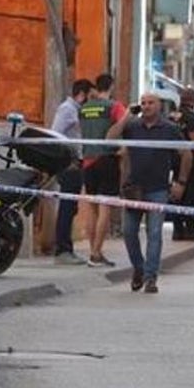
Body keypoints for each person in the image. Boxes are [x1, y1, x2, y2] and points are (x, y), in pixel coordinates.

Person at [113, 92, 193, 294]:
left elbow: (187, 154)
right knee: (129, 232)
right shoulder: (132, 127)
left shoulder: (170, 129)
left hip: (158, 189)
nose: (146, 106)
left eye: (151, 103)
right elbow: (110, 138)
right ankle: (139, 268)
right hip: (133, 189)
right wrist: (125, 117)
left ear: (159, 106)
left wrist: (180, 182)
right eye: (143, 103)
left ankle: (150, 278)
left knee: (155, 233)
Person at [78, 73, 128, 267]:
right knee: (105, 207)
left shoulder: (83, 109)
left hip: (88, 160)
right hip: (107, 159)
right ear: (111, 86)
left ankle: (93, 250)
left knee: (91, 208)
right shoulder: (114, 107)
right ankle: (97, 252)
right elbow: (124, 125)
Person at [49, 78, 93, 265]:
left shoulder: (77, 111)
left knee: (72, 207)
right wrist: (66, 159)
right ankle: (62, 250)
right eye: (90, 97)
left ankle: (67, 248)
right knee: (67, 207)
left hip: (77, 162)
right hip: (69, 164)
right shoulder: (67, 109)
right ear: (81, 94)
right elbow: (55, 135)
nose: (92, 101)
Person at [169, 87, 194, 240]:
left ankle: (177, 229)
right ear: (193, 100)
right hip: (190, 161)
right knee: (192, 194)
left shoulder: (171, 115)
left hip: (173, 159)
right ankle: (190, 228)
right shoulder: (191, 116)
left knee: (176, 193)